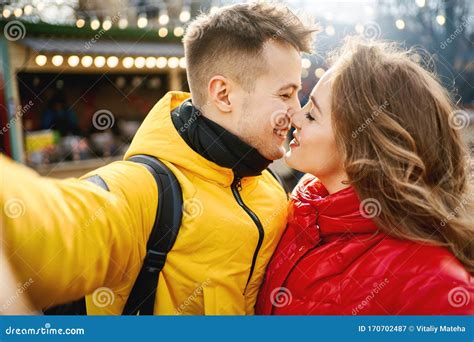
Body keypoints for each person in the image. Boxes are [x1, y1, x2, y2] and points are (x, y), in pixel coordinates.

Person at [1, 2, 317, 315]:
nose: (298, 111)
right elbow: (43, 227)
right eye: (285, 94)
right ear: (223, 94)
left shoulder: (271, 186)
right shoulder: (144, 192)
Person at [256, 37, 474, 315]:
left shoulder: (435, 287)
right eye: (305, 105)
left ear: (361, 145)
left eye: (312, 116)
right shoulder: (299, 215)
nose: (295, 118)